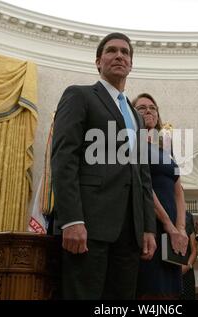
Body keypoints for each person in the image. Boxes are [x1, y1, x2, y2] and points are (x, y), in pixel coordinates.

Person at [51, 33, 157, 300]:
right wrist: (72, 220)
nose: (119, 55)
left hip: (130, 233)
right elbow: (65, 159)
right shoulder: (80, 95)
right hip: (89, 225)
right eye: (111, 51)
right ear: (98, 62)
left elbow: (143, 176)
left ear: (131, 64)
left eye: (125, 52)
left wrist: (147, 227)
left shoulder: (136, 117)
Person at [133, 93, 188, 299]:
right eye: (141, 108)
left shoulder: (165, 149)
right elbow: (143, 186)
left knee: (171, 292)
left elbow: (178, 191)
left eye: (153, 108)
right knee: (150, 290)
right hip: (149, 225)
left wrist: (181, 228)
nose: (148, 111)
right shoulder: (132, 143)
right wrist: (168, 225)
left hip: (173, 231)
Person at [181, 211, 198, 300]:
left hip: (187, 269)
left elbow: (194, 250)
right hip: (168, 270)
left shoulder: (188, 216)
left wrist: (188, 266)